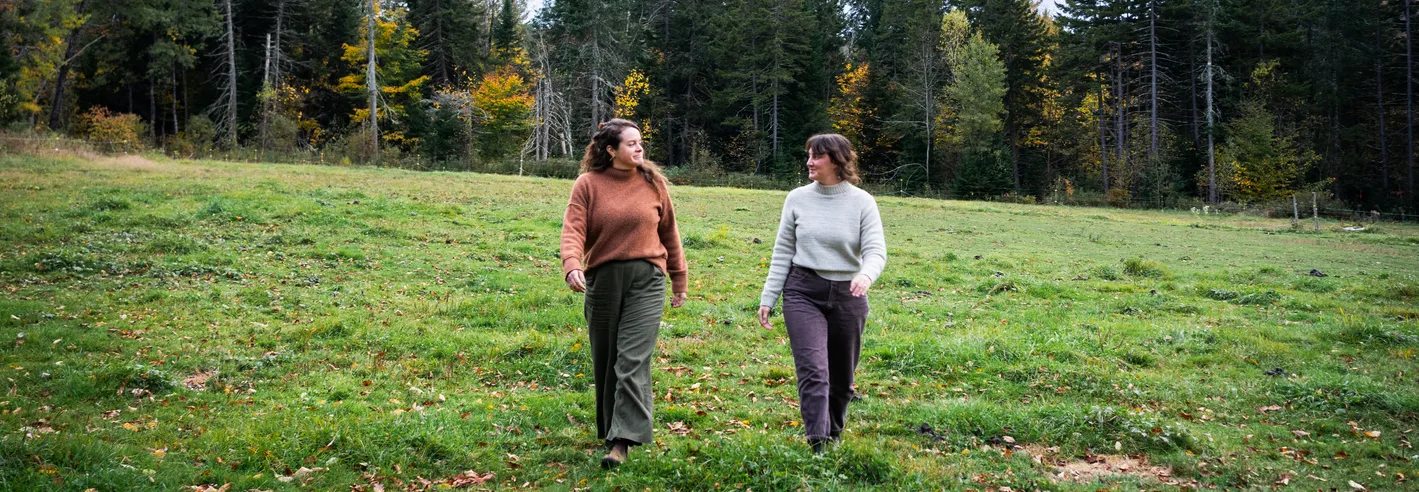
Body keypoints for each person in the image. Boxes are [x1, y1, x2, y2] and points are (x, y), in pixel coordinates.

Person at [560, 118, 689, 468]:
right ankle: (611, 428)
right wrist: (572, 263)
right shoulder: (587, 185)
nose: (639, 148)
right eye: (631, 143)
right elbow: (573, 228)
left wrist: (679, 279)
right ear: (610, 149)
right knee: (606, 360)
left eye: (640, 142)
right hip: (602, 279)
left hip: (647, 279)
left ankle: (623, 440)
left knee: (631, 359)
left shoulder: (653, 184)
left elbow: (670, 234)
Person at [757, 133, 886, 453]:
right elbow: (782, 251)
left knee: (842, 379)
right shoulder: (797, 199)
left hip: (849, 296)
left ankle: (834, 431)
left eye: (816, 157)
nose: (809, 162)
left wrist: (866, 275)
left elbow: (876, 251)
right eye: (809, 155)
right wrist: (769, 297)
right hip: (803, 291)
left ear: (836, 161)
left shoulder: (862, 202)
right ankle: (818, 442)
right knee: (814, 369)